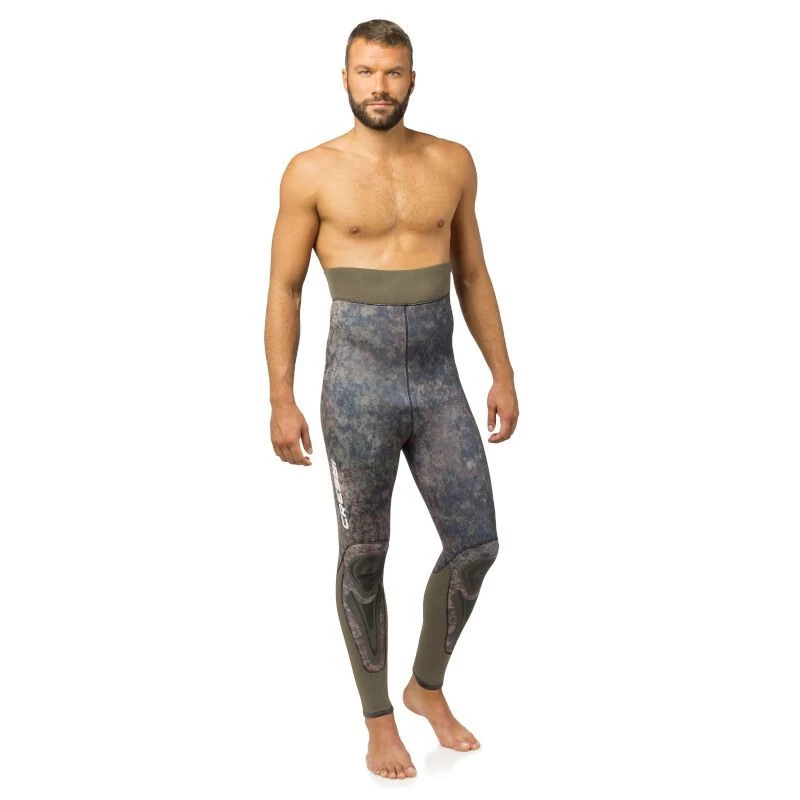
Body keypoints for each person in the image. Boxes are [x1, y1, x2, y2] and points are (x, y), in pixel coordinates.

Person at [264, 19, 519, 780]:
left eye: (393, 72)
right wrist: (280, 397)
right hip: (357, 387)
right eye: (366, 72)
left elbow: (472, 274)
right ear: (345, 78)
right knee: (364, 555)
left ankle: (425, 687)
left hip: (439, 382)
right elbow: (284, 288)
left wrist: (502, 372)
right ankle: (379, 719)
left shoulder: (452, 162)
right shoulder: (311, 171)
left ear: (413, 78)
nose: (380, 87)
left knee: (476, 543)